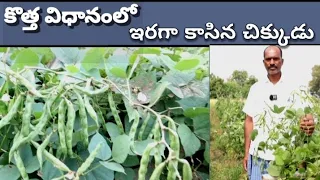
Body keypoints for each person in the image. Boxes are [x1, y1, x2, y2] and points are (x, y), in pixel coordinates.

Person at [242, 45, 316, 180]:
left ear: (282, 61)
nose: (272, 62)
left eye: (275, 59)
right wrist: (247, 153)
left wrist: (310, 124)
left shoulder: (296, 87)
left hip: (287, 156)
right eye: (268, 59)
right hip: (259, 156)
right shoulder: (255, 88)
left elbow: (308, 117)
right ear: (263, 62)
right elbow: (249, 121)